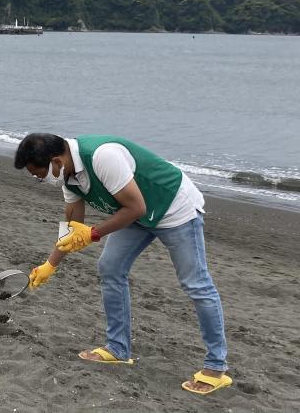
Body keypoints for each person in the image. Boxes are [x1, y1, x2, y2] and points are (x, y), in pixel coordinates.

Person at [14, 133, 231, 395]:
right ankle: (118, 348)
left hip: (174, 208)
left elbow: (136, 207)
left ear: (57, 161)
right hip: (136, 215)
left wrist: (94, 233)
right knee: (110, 268)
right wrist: (50, 264)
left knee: (195, 283)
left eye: (40, 174)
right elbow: (72, 229)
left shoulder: (102, 157)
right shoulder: (69, 177)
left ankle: (216, 368)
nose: (40, 179)